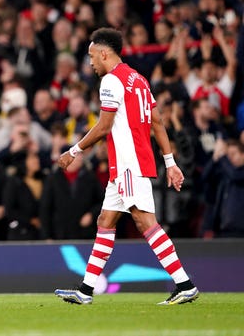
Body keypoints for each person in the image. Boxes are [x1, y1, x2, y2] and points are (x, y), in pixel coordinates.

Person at [54, 28, 199, 306]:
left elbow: (104, 126)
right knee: (105, 221)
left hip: (128, 164)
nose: (91, 62)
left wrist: (74, 151)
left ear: (104, 53)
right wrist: (170, 162)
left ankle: (185, 284)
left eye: (92, 56)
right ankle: (86, 291)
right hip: (130, 163)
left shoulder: (111, 81)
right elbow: (157, 122)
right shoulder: (139, 79)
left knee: (145, 222)